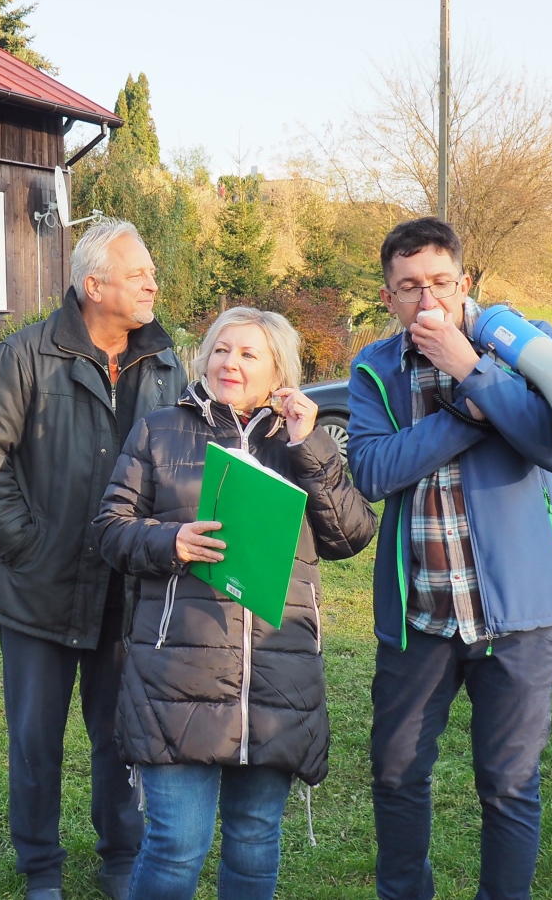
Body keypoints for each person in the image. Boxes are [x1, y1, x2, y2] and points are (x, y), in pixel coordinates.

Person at [94, 307, 378, 900]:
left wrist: (310, 443)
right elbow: (109, 528)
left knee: (254, 840)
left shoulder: (300, 443)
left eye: (249, 354)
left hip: (279, 673)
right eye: (222, 349)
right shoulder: (159, 430)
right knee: (176, 844)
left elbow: (349, 535)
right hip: (178, 672)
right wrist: (167, 541)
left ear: (278, 367)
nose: (231, 363)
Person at [346, 217, 552, 900]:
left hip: (521, 618)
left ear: (465, 281)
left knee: (508, 784)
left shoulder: (525, 345)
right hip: (421, 615)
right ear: (389, 295)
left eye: (441, 283)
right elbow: (371, 469)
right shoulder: (374, 369)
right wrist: (466, 415)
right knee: (395, 774)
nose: (428, 301)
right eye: (409, 287)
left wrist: (472, 372)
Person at [0, 220, 188, 900]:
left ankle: (121, 855)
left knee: (123, 735)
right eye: (138, 271)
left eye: (150, 271)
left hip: (130, 590)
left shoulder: (168, 364)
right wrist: (26, 543)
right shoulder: (23, 356)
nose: (152, 281)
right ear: (94, 285)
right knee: (36, 742)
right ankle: (41, 868)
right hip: (38, 592)